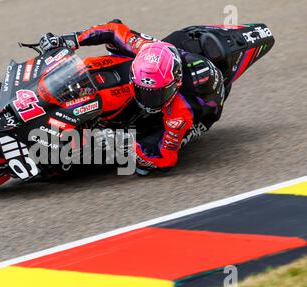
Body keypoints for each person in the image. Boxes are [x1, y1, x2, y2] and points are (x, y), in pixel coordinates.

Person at [39, 19, 226, 175]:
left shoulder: (179, 114)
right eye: (143, 90)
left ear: (174, 85)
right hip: (172, 56)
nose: (147, 99)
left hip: (205, 110)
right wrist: (70, 40)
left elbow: (165, 160)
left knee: (143, 165)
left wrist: (122, 142)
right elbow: (113, 28)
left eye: (156, 94)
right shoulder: (145, 48)